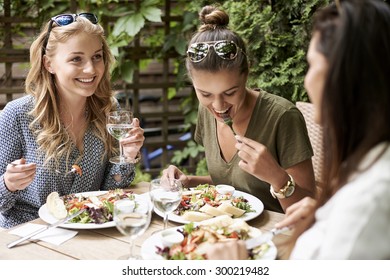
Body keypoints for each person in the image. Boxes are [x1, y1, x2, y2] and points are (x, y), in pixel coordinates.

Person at [207, 0, 390, 259]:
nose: (306, 78)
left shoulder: (368, 203)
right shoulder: (365, 173)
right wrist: (324, 216)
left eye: (312, 64)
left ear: (345, 77)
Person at [162, 5, 316, 213]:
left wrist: (277, 178)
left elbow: (310, 212)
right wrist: (189, 181)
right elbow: (233, 186)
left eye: (230, 92)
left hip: (277, 236)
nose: (218, 106)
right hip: (226, 234)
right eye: (205, 94)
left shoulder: (282, 116)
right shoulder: (205, 112)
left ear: (246, 74)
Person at [0, 13, 145, 228]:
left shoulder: (108, 111)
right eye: (76, 59)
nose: (91, 69)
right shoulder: (17, 115)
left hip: (86, 231)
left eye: (97, 57)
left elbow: (108, 191)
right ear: (49, 63)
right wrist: (8, 184)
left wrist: (128, 155)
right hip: (29, 234)